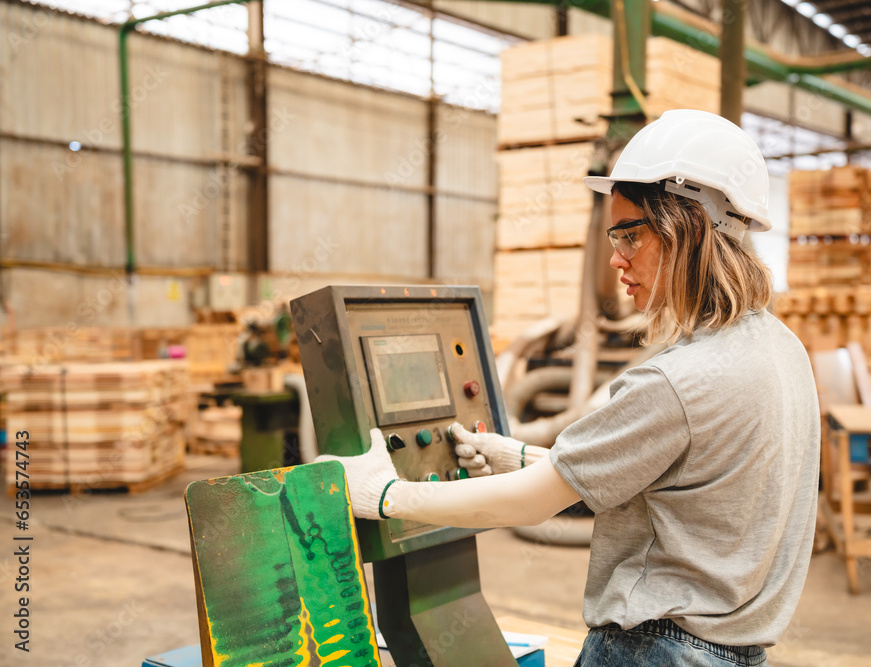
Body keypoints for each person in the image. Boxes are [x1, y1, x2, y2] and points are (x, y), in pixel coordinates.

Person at [318, 110, 820, 667]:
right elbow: (679, 483)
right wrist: (521, 455)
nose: (615, 259)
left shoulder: (675, 382)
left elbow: (532, 505)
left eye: (630, 235)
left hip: (653, 652)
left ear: (689, 229)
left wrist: (387, 497)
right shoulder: (782, 350)